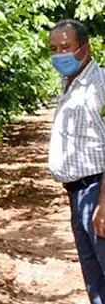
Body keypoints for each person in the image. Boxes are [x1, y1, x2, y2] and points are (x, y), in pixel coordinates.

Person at [47, 19, 105, 304]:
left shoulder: (100, 84)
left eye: (66, 47)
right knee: (93, 274)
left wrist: (104, 203)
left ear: (86, 47)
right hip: (78, 192)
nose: (60, 55)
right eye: (54, 49)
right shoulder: (69, 83)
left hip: (98, 190)